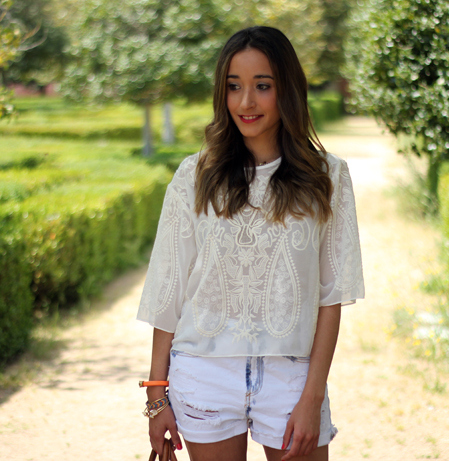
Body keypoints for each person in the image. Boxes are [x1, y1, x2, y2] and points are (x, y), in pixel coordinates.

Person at [137, 26, 364, 461]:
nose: (246, 102)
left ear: (287, 90)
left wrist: (313, 396)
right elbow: (168, 290)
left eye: (262, 86)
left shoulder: (328, 177)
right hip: (203, 373)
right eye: (233, 87)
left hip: (291, 377)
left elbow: (331, 297)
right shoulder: (194, 176)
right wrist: (156, 395)